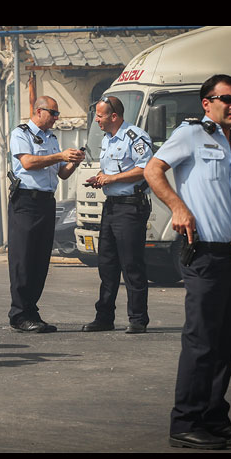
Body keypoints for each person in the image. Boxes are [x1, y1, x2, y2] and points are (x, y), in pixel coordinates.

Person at [144, 74, 231, 449]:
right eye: (226, 99)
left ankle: (214, 417)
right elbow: (152, 170)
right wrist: (177, 206)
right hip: (202, 253)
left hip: (229, 256)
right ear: (206, 102)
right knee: (202, 341)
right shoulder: (191, 135)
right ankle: (185, 422)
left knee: (227, 342)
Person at [7, 96, 85, 333]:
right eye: (53, 113)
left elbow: (61, 174)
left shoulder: (51, 138)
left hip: (45, 202)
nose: (56, 118)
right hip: (26, 202)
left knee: (40, 260)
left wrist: (73, 161)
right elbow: (28, 163)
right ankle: (19, 314)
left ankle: (31, 310)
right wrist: (60, 156)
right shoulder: (21, 134)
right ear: (38, 111)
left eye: (57, 114)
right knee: (24, 259)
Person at [81, 96, 152, 334]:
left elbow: (146, 168)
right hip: (111, 206)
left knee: (131, 264)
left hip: (131, 206)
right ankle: (104, 317)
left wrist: (111, 179)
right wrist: (101, 177)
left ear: (114, 116)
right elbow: (113, 169)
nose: (96, 120)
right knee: (107, 264)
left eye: (100, 116)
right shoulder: (108, 139)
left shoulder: (135, 136)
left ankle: (138, 319)